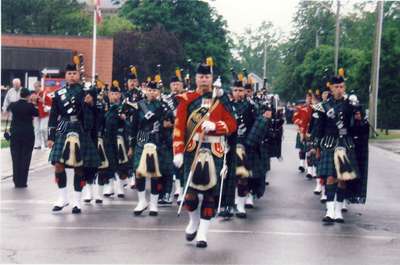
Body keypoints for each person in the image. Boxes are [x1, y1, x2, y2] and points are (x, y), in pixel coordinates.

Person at [173, 62, 237, 248]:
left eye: (207, 77)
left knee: (210, 195)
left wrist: (216, 127)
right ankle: (193, 221)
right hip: (193, 151)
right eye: (201, 77)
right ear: (195, 78)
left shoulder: (221, 99)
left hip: (215, 151)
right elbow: (179, 128)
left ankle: (203, 233)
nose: (204, 80)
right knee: (190, 196)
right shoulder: (187, 99)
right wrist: (178, 152)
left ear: (211, 78)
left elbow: (232, 125)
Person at [311, 76, 368, 223]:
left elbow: (356, 128)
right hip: (330, 143)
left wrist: (358, 119)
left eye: (342, 87)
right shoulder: (324, 106)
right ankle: (329, 210)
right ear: (331, 88)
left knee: (342, 179)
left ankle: (338, 210)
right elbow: (319, 128)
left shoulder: (350, 105)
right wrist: (316, 147)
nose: (339, 90)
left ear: (345, 88)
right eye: (336, 87)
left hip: (345, 144)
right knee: (330, 177)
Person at [47, 64, 100, 214]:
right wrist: (51, 136)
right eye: (69, 73)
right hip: (63, 129)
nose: (71, 76)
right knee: (58, 164)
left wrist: (91, 103)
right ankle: (62, 198)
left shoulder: (86, 92)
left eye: (74, 73)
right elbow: (53, 116)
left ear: (79, 75)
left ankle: (77, 201)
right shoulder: (59, 94)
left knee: (79, 166)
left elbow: (97, 113)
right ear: (65, 76)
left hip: (80, 129)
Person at [129, 80, 170, 217]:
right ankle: (142, 201)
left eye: (154, 90)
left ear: (158, 92)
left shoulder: (163, 106)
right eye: (150, 90)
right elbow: (134, 126)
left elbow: (168, 123)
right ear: (145, 91)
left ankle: (154, 204)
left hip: (157, 141)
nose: (152, 93)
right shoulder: (139, 106)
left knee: (154, 174)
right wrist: (131, 145)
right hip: (141, 141)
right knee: (138, 173)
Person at [7, 88, 38, 188]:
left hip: (15, 133)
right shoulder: (30, 106)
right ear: (28, 96)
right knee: (26, 157)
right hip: (27, 134)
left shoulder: (13, 105)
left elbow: (7, 111)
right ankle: (23, 181)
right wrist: (33, 102)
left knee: (15, 157)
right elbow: (37, 113)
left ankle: (16, 180)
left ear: (20, 94)